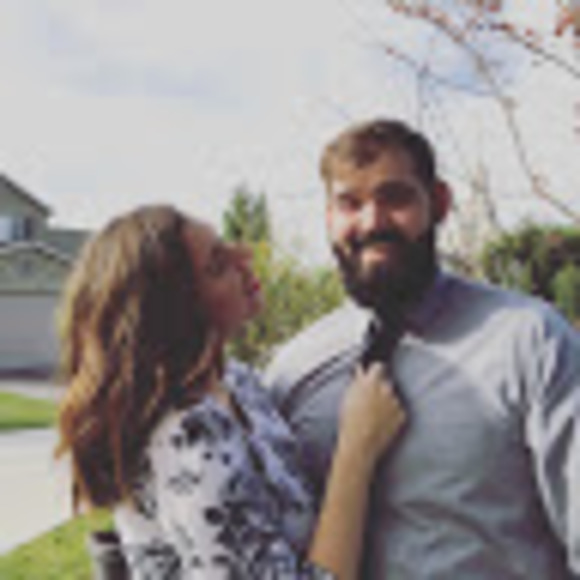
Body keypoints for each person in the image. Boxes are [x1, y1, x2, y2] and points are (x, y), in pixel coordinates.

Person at [264, 119, 580, 579]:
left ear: (439, 203)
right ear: (329, 218)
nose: (372, 222)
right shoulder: (291, 371)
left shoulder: (531, 342)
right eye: (350, 203)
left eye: (395, 197)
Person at [54, 204, 405, 579]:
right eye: (218, 265)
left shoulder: (236, 381)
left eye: (228, 247)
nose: (245, 257)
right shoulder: (187, 441)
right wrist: (358, 449)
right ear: (179, 311)